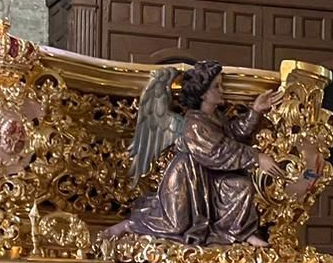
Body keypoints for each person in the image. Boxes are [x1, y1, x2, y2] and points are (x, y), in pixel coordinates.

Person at [106, 60, 282, 246]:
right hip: (187, 180)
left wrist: (255, 111)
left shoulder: (216, 117)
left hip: (208, 178)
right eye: (217, 87)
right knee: (175, 225)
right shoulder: (194, 123)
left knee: (241, 186)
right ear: (204, 94)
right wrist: (257, 157)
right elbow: (218, 151)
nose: (222, 90)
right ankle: (129, 225)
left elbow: (233, 134)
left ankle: (240, 234)